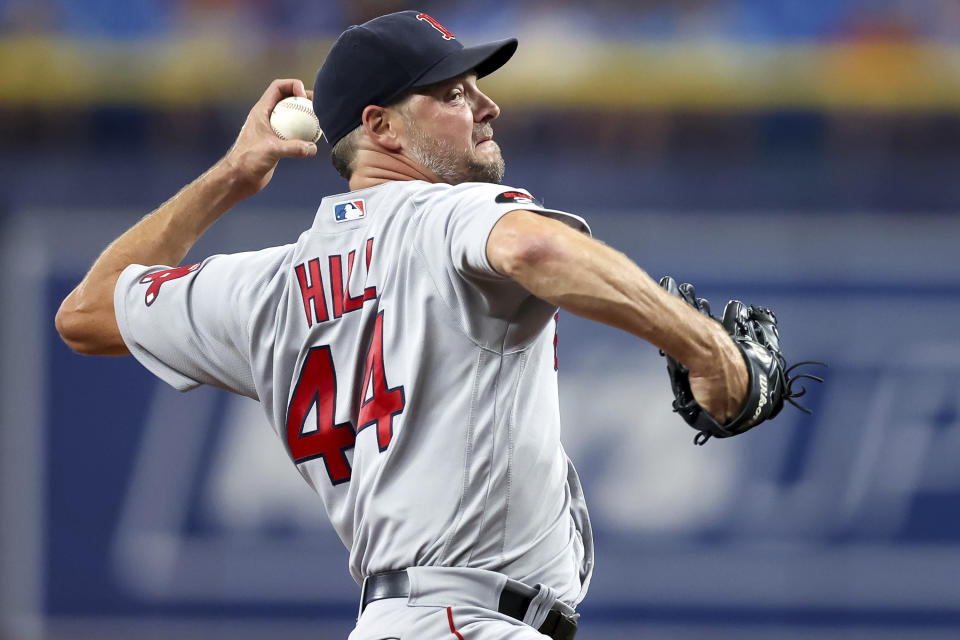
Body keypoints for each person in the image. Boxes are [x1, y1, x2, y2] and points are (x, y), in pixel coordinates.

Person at [55, 10, 748, 640]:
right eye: (452, 95)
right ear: (381, 126)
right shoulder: (445, 213)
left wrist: (234, 176)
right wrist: (707, 349)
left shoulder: (261, 288)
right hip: (470, 621)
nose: (487, 106)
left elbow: (86, 313)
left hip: (397, 618)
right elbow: (535, 248)